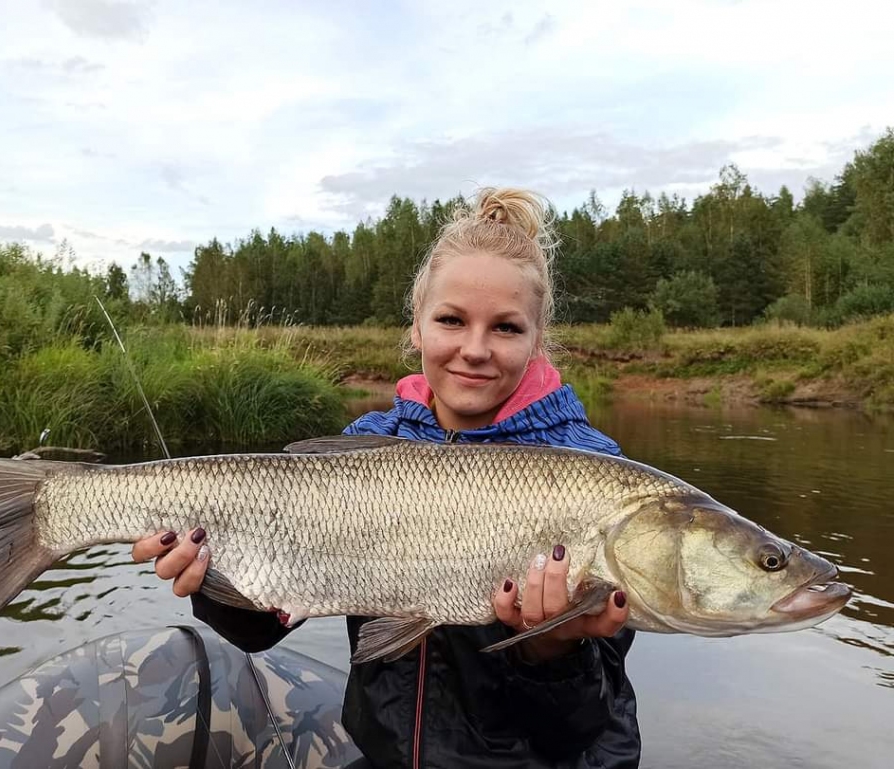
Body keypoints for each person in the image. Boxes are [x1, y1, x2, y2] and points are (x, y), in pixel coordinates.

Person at [132, 188, 641, 768]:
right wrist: (207, 576)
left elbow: (579, 733)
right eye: (451, 320)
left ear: (536, 339)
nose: (474, 349)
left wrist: (551, 648)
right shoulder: (363, 448)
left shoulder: (597, 480)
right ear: (418, 328)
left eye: (506, 328)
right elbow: (262, 630)